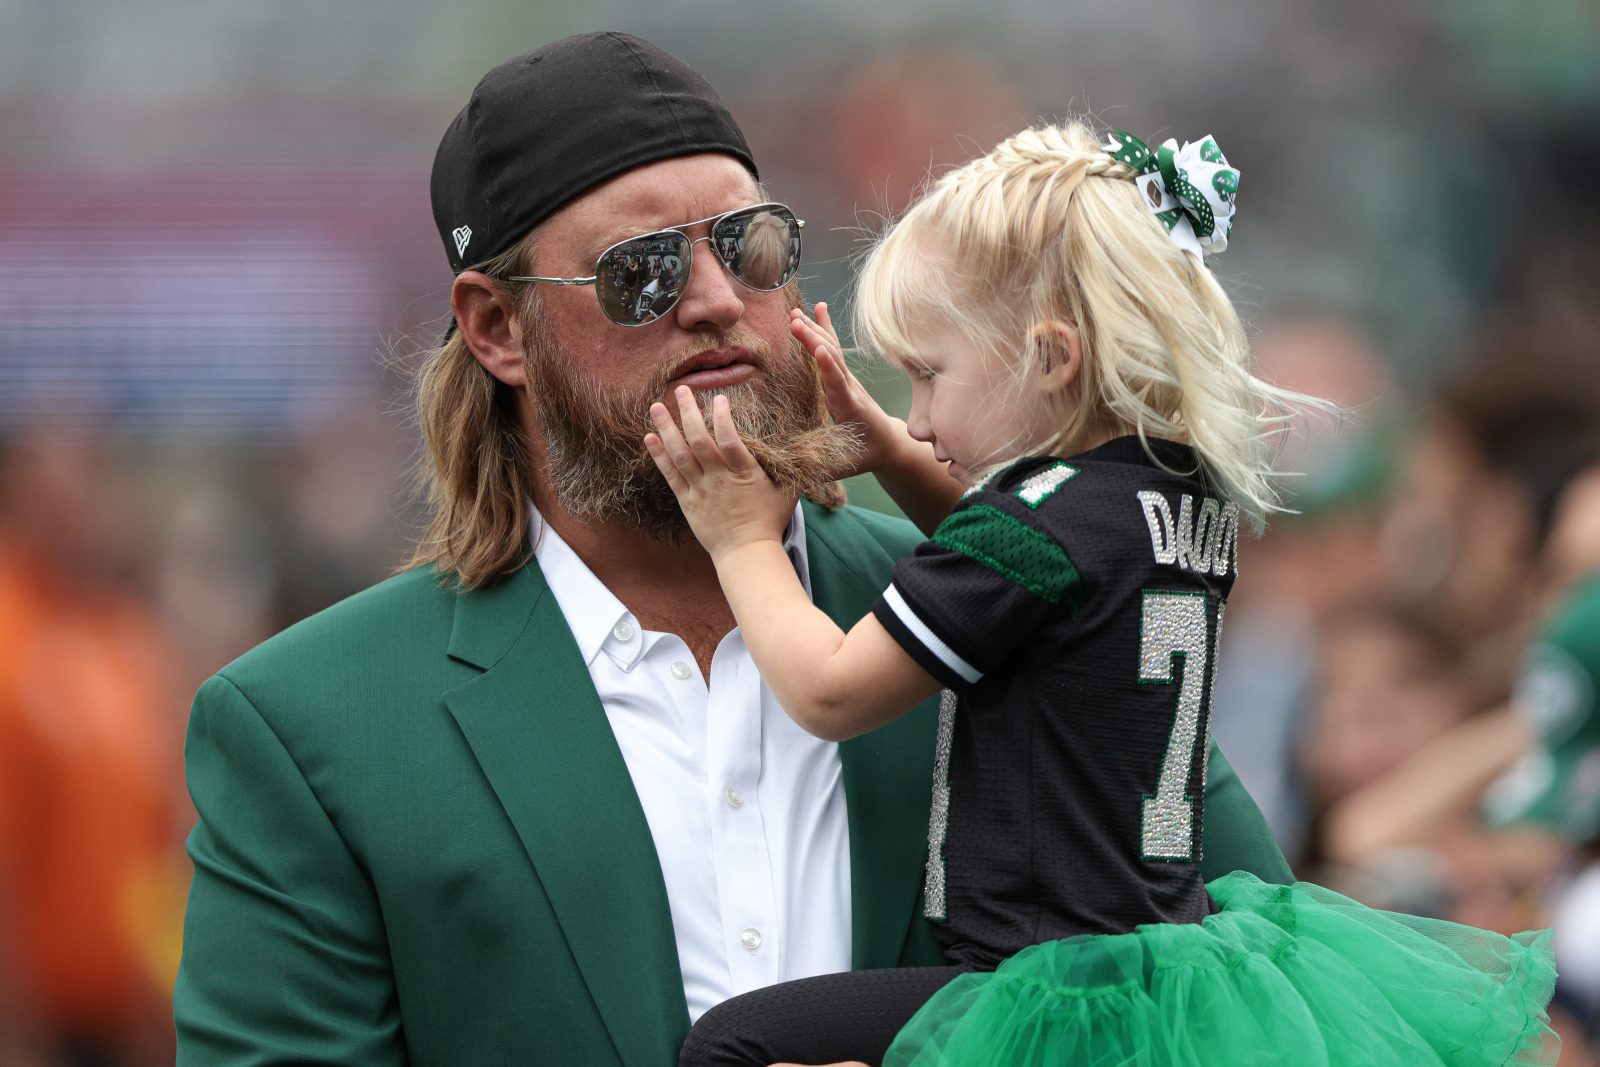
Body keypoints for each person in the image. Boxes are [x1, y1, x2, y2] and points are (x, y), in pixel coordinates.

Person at [174, 35, 1294, 1066]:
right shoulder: (310, 729)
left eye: (750, 247)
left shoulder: (1023, 590)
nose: (716, 300)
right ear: (498, 328)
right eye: (641, 271)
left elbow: (1262, 1001)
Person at [652, 122, 1559, 1065]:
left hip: (1049, 987)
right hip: (1170, 966)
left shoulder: (1038, 528)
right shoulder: (1168, 492)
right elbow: (1020, 564)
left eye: (929, 375)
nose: (917, 418)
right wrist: (885, 447)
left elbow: (831, 692)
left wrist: (740, 536)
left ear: (1051, 358)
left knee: (730, 1044)